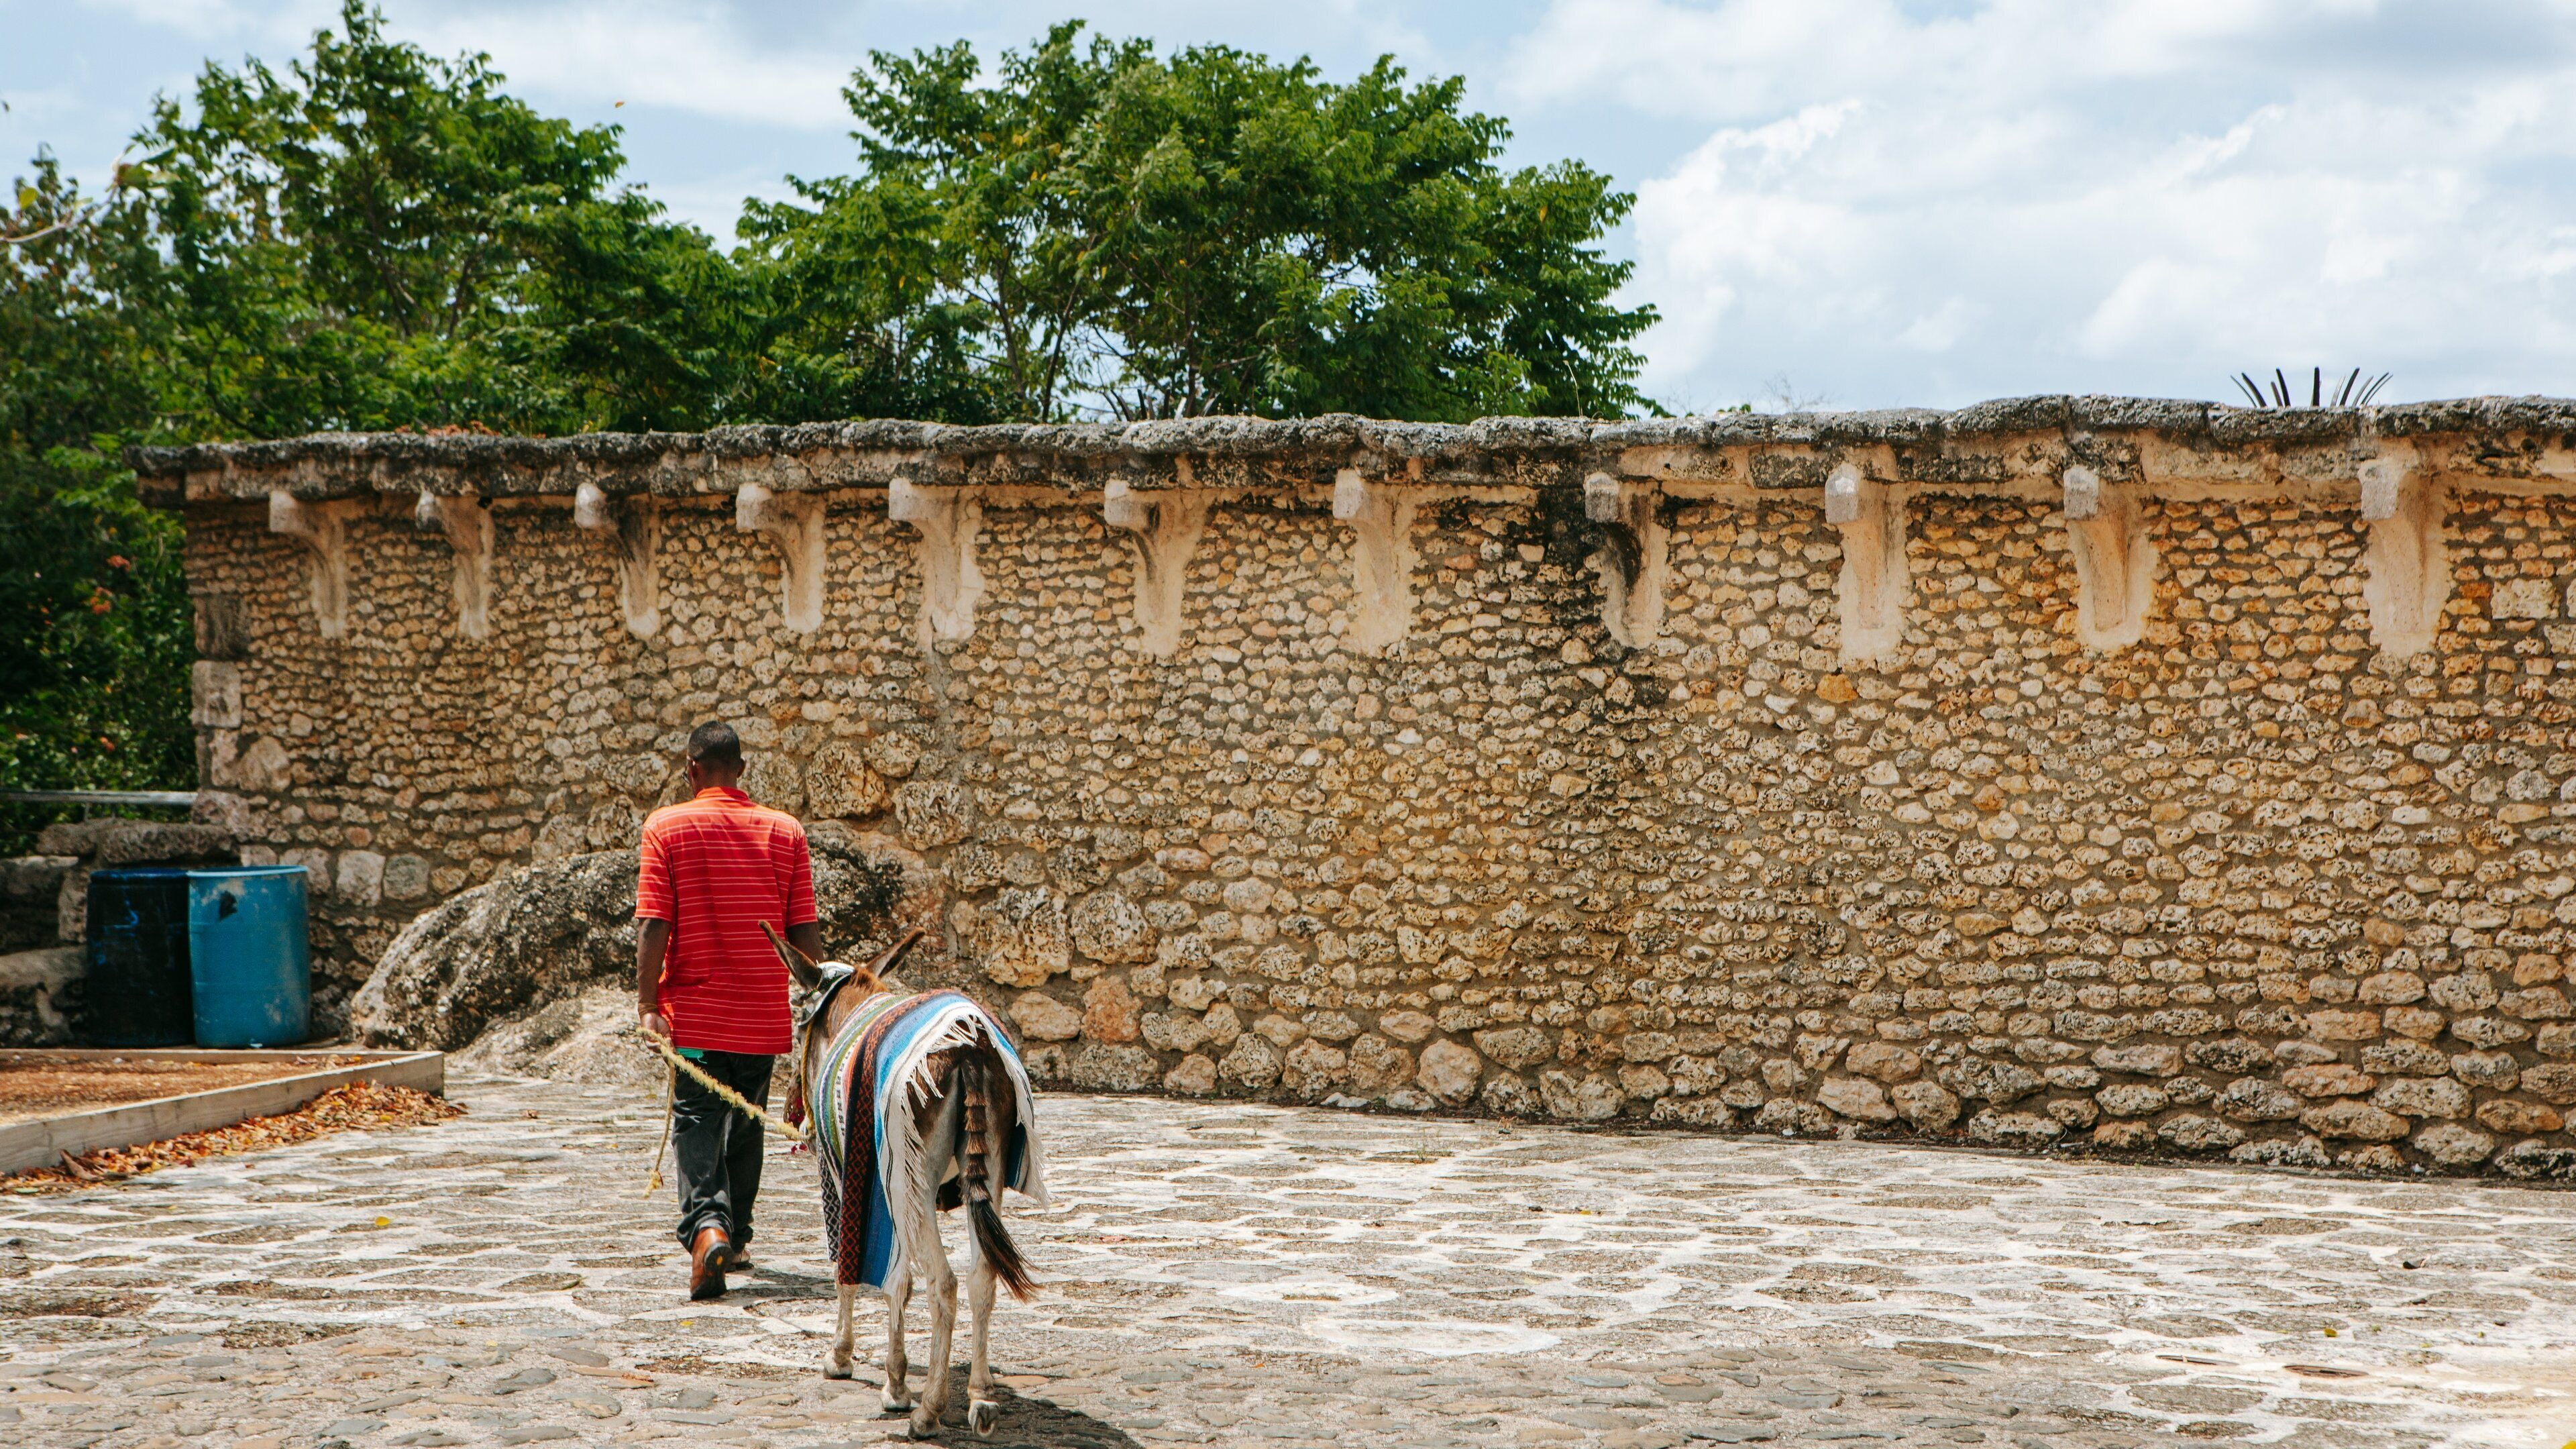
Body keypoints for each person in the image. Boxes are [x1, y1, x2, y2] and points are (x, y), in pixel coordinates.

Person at [635, 721, 823, 1301]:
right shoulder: (785, 832)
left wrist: (647, 1003)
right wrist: (816, 1005)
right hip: (761, 1019)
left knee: (696, 1119)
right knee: (747, 1124)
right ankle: (736, 1238)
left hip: (694, 1020)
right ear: (741, 770)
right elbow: (805, 932)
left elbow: (654, 922)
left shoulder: (666, 827)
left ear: (691, 770)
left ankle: (708, 1228)